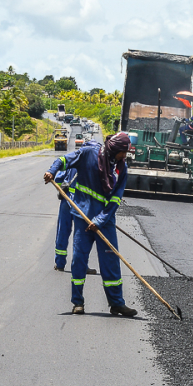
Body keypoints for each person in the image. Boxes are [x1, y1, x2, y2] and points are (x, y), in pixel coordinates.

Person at [44, 132, 136, 317]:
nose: (125, 157)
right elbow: (63, 160)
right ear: (115, 149)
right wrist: (52, 172)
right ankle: (77, 303)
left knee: (110, 262)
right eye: (123, 153)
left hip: (105, 222)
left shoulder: (121, 168)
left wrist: (100, 221)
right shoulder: (88, 154)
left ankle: (117, 303)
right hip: (82, 217)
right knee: (79, 260)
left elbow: (116, 199)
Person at [52, 141, 98, 274]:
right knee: (83, 236)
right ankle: (82, 265)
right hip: (82, 203)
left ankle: (60, 263)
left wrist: (61, 190)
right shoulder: (94, 164)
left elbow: (60, 177)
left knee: (63, 231)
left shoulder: (74, 159)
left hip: (67, 200)